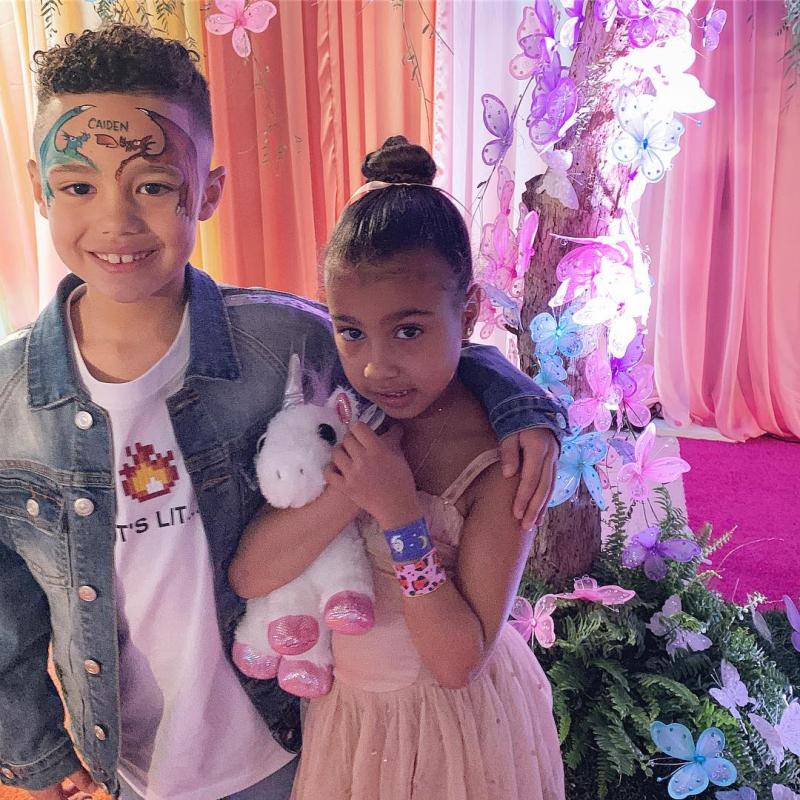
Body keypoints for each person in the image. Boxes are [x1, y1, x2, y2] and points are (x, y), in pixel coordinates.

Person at [0, 25, 565, 800]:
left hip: (288, 741)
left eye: (153, 185)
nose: (117, 221)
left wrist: (520, 403)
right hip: (131, 762)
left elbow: (421, 355)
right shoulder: (9, 404)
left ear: (207, 191)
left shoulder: (284, 344)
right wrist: (31, 747)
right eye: (78, 187)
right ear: (38, 186)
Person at [229, 137, 566, 800]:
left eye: (408, 330)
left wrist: (399, 515)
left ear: (469, 312)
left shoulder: (503, 461)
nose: (376, 366)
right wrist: (350, 492)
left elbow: (457, 662)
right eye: (351, 331)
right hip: (352, 731)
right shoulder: (345, 418)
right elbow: (252, 574)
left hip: (454, 742)